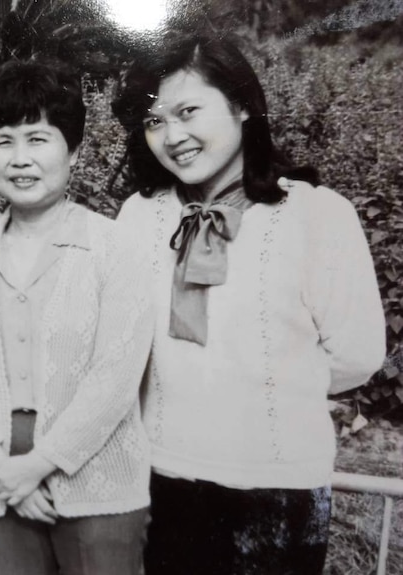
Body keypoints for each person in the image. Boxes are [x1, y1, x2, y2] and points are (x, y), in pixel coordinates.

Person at [110, 33, 386, 574]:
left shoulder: (316, 214)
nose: (173, 136)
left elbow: (357, 352)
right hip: (160, 475)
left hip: (277, 486)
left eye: (188, 111)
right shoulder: (139, 217)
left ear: (241, 105)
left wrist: (268, 383)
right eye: (154, 121)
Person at [0, 61, 154, 575]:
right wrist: (3, 470)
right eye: (2, 141)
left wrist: (37, 466)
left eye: (38, 139)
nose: (20, 159)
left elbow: (116, 378)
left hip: (95, 473)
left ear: (74, 150)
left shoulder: (115, 247)